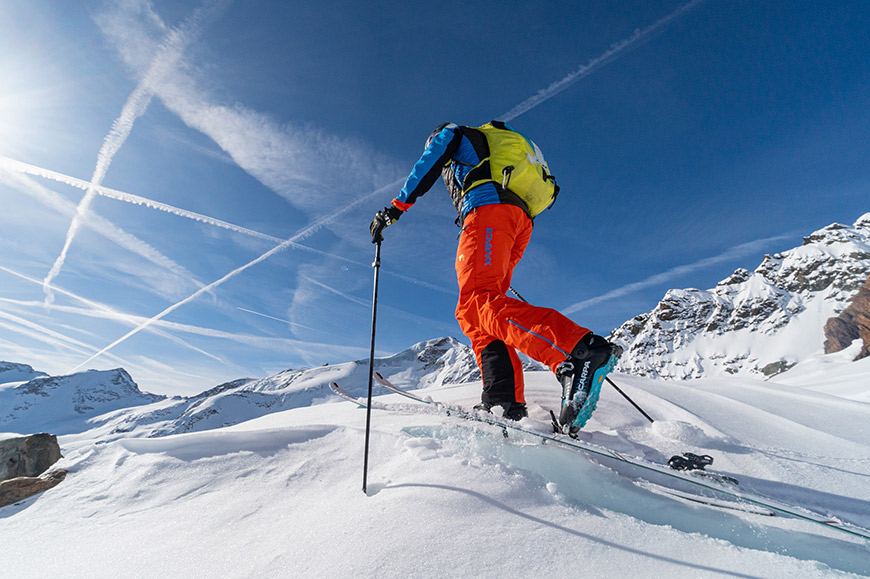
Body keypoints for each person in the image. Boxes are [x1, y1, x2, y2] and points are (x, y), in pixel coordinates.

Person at [370, 121, 621, 433]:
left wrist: (395, 209)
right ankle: (503, 400)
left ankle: (578, 352)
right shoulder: (500, 143)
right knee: (478, 313)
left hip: (489, 212)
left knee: (477, 301)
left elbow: (430, 160)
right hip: (517, 221)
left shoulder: (455, 135)